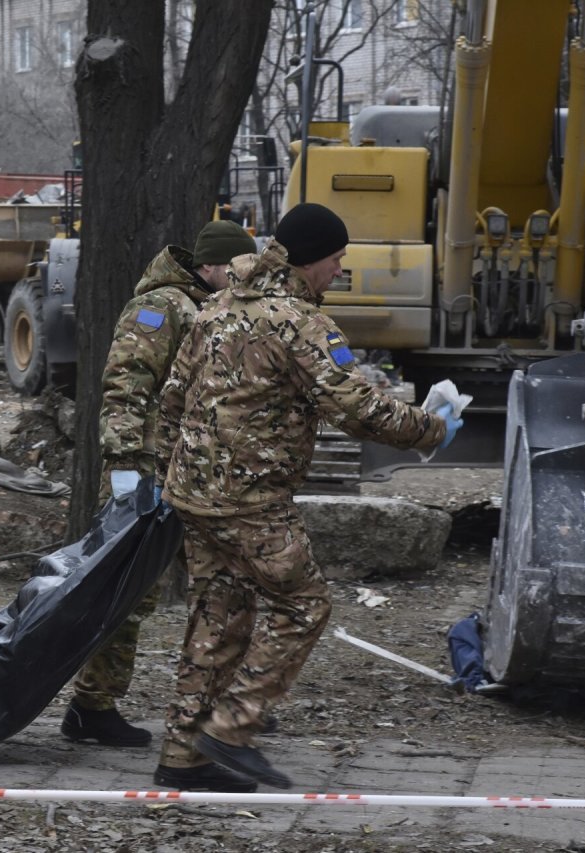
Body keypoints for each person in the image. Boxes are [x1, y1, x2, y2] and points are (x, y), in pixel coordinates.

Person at [153, 203, 463, 792]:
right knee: (304, 605)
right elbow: (359, 408)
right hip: (250, 499)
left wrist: (183, 466)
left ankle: (182, 755)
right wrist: (433, 429)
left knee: (218, 616)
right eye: (337, 259)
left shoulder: (218, 307)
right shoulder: (299, 323)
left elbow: (172, 397)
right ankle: (231, 728)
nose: (340, 271)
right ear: (314, 259)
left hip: (194, 493)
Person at [61, 221, 258, 748]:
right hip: (148, 473)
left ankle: (218, 705)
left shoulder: (212, 310)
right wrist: (126, 468)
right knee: (132, 592)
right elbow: (125, 386)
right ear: (212, 267)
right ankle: (90, 706)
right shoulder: (160, 308)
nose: (246, 277)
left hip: (191, 476)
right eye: (238, 267)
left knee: (220, 587)